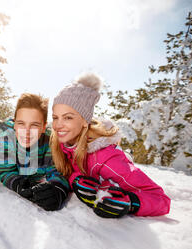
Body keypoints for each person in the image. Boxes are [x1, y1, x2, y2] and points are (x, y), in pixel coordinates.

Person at [50, 72, 171, 218]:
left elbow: (161, 200)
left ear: (84, 121)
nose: (58, 125)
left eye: (68, 117)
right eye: (55, 117)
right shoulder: (61, 143)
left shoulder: (105, 158)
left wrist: (131, 202)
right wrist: (75, 179)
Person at [0, 93, 70, 211]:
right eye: (21, 123)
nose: (26, 132)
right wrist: (18, 183)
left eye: (34, 125)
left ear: (44, 127)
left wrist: (58, 188)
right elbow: (5, 170)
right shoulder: (2, 137)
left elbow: (58, 171)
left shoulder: (51, 142)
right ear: (14, 123)